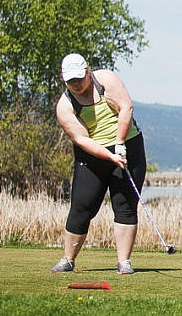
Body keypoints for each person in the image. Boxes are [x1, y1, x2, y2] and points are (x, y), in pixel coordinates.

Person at [51, 53, 146, 275]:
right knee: (81, 207)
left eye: (79, 79)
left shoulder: (106, 80)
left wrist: (120, 144)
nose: (76, 84)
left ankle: (124, 262)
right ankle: (68, 259)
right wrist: (110, 155)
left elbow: (126, 108)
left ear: (88, 71)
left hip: (128, 145)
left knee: (125, 204)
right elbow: (82, 139)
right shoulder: (64, 106)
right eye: (70, 81)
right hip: (93, 153)